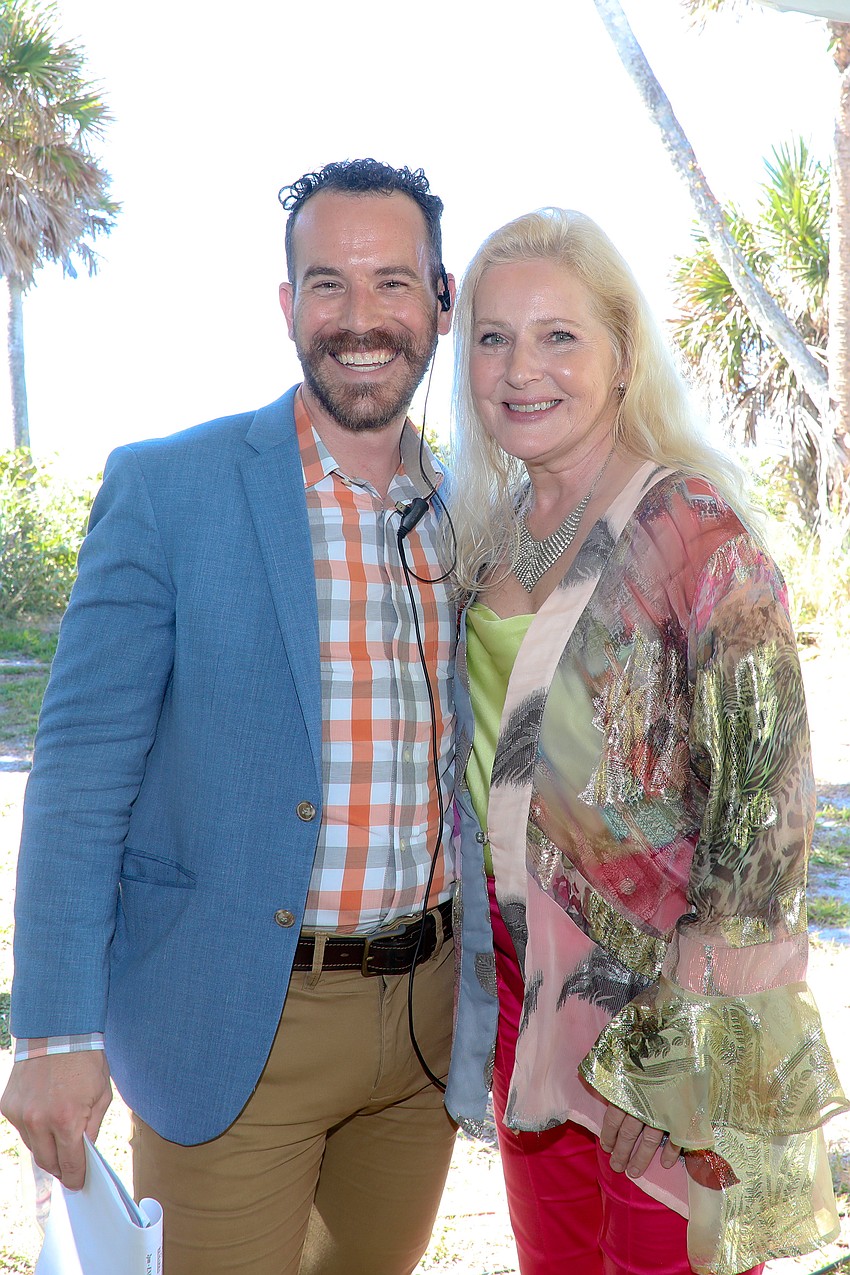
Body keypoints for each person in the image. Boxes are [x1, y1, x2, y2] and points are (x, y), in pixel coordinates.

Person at [1, 158, 459, 1275]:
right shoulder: (171, 489)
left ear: (441, 304)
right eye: (328, 283)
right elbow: (81, 772)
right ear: (288, 304)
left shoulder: (472, 510)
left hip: (428, 1027)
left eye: (393, 283)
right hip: (232, 1020)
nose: (361, 317)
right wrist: (55, 1030)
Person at [442, 207, 848, 1275]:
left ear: (623, 354)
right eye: (492, 337)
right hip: (527, 990)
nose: (520, 369)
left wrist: (680, 1049)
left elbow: (766, 813)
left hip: (660, 1002)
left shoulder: (692, 528)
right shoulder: (483, 538)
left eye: (558, 336)